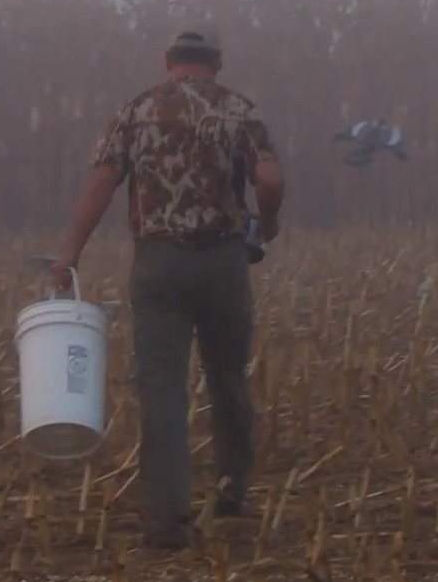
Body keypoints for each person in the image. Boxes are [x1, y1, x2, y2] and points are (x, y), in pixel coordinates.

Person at [50, 28, 285, 551]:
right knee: (228, 379)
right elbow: (268, 180)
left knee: (161, 388)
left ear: (168, 62)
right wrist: (266, 223)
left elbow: (102, 184)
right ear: (217, 63)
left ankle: (165, 521)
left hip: (158, 265)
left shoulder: (136, 111)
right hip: (223, 262)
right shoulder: (238, 110)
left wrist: (70, 253)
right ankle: (229, 496)